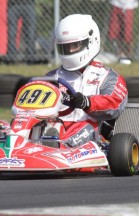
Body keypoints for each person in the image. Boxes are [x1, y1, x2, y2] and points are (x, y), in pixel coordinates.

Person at [45, 14, 128, 147]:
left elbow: (114, 103)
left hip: (91, 135)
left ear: (91, 41)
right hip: (54, 129)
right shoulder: (53, 76)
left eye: (75, 45)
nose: (70, 50)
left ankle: (59, 147)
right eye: (66, 47)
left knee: (84, 127)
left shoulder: (107, 76)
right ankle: (13, 142)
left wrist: (87, 102)